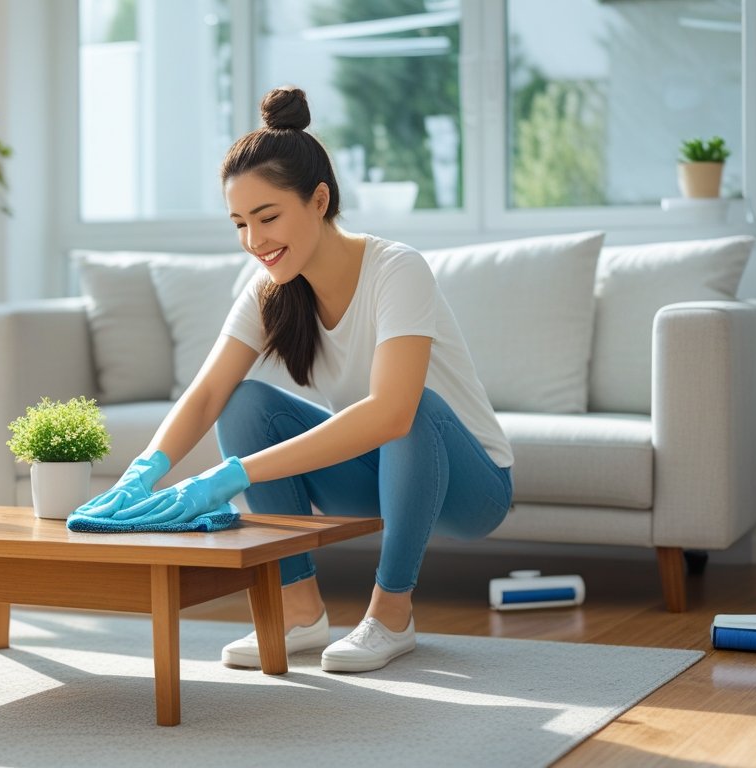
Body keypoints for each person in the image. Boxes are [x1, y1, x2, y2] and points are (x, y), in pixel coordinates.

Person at [71, 86, 514, 674]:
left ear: (319, 199)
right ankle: (299, 613)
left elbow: (391, 415)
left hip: (469, 484)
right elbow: (206, 393)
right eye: (239, 224)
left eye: (268, 217)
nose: (255, 242)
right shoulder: (270, 291)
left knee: (411, 408)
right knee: (245, 403)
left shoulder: (397, 269)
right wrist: (144, 472)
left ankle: (391, 615)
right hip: (377, 475)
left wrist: (230, 476)